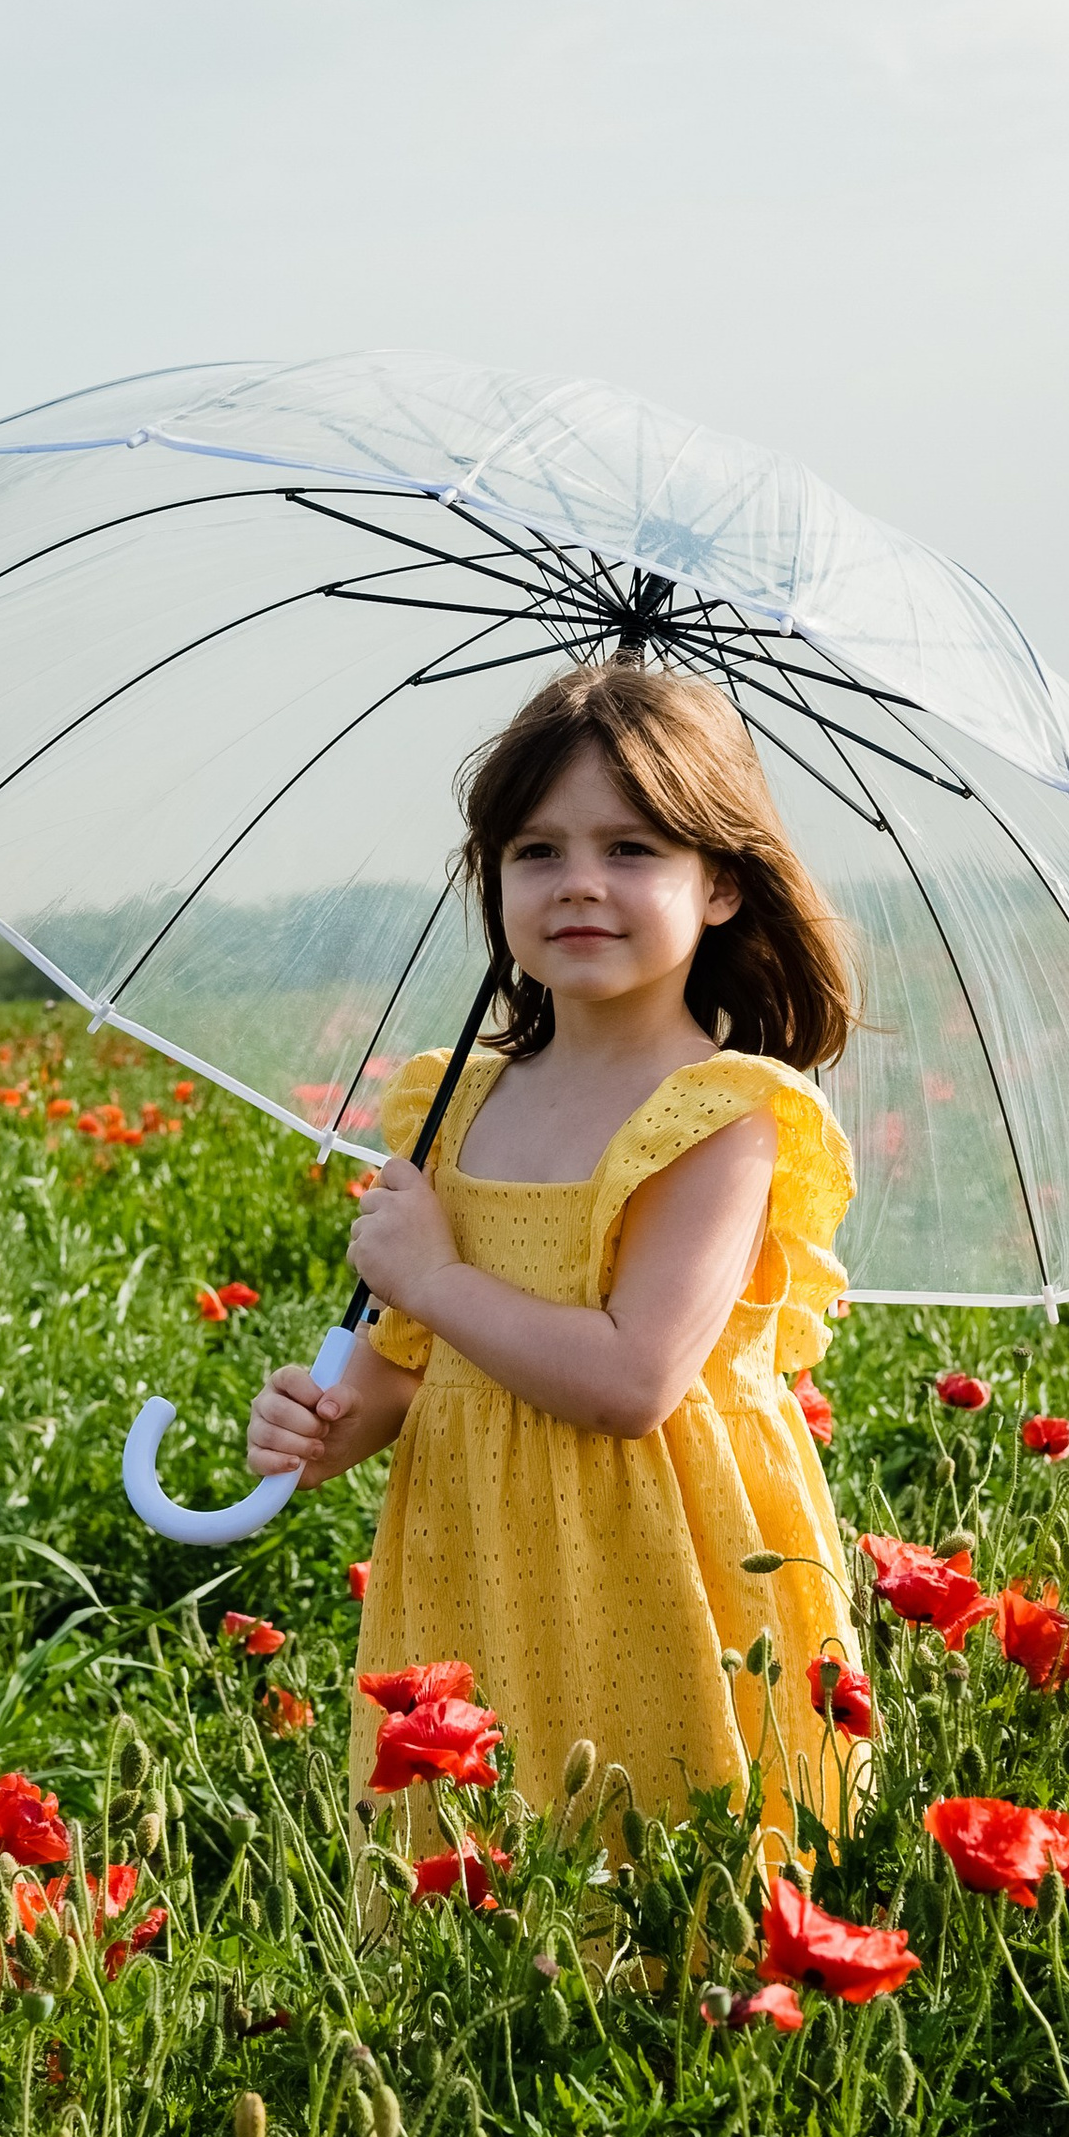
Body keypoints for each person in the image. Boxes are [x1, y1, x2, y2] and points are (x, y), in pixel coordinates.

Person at [244, 659, 860, 1838]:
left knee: (661, 1864)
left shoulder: (720, 1113)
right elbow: (404, 1373)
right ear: (493, 880)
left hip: (658, 1559)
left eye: (631, 850)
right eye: (536, 851)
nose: (580, 884)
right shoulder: (453, 1105)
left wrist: (430, 1274)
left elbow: (631, 1379)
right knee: (488, 1890)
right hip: (476, 1555)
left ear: (720, 885)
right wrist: (322, 1427)